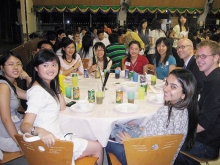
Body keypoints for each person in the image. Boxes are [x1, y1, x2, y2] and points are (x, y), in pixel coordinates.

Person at [20, 49, 103, 165]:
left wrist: (56, 84)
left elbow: (62, 107)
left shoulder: (46, 86)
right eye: (45, 65)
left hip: (55, 137)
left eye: (54, 65)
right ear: (36, 68)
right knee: (98, 147)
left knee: (88, 139)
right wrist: (40, 131)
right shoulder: (37, 92)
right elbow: (24, 125)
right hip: (52, 144)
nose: (51, 69)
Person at [106, 69, 199, 165]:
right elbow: (161, 135)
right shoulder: (185, 111)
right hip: (166, 160)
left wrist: (129, 141)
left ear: (184, 94)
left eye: (173, 87)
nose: (166, 88)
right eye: (166, 83)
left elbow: (148, 148)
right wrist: (144, 129)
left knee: (107, 140)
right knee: (132, 128)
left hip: (142, 159)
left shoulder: (165, 113)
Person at [174, 40, 220, 165]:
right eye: (198, 56)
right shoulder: (210, 78)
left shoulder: (215, 83)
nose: (199, 60)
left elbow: (205, 123)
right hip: (203, 138)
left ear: (216, 57)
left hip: (206, 145)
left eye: (204, 56)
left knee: (165, 144)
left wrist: (180, 131)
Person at [0, 51, 29, 152]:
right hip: (6, 135)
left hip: (15, 125)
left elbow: (29, 96)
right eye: (11, 64)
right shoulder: (3, 86)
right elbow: (6, 119)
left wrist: (27, 78)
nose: (16, 67)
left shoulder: (10, 84)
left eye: (18, 64)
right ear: (2, 67)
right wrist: (19, 143)